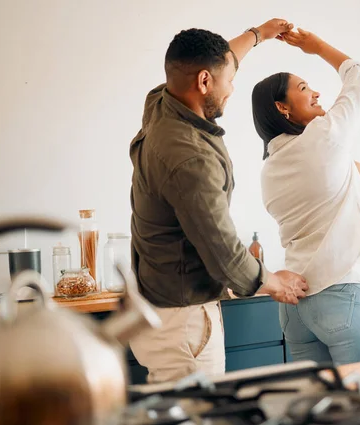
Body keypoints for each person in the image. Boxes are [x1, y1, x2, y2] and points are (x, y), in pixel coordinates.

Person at [128, 20, 308, 384]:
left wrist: (258, 34)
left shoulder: (160, 103)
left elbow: (216, 61)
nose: (232, 88)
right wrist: (274, 282)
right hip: (185, 323)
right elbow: (223, 251)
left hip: (156, 310)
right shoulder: (189, 157)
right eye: (228, 80)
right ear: (205, 82)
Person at [251, 29, 360, 365]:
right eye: (304, 88)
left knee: (321, 407)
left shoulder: (269, 168)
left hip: (296, 306)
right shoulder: (323, 137)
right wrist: (316, 46)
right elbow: (359, 75)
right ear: (282, 107)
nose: (316, 92)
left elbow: (321, 226)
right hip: (346, 298)